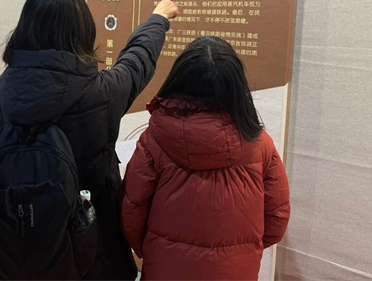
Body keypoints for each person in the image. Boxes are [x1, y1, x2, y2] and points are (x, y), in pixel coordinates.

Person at [0, 0, 179, 280]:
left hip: (12, 257)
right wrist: (158, 18)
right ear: (84, 32)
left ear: (23, 30)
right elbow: (137, 60)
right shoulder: (103, 94)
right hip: (94, 254)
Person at [120, 37, 291, 280]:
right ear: (237, 85)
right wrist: (240, 253)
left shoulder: (154, 141)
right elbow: (277, 219)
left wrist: (153, 251)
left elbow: (131, 212)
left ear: (178, 79)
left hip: (166, 269)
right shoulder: (260, 145)